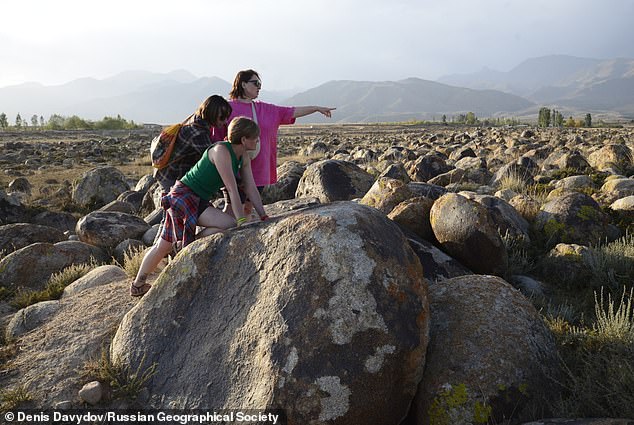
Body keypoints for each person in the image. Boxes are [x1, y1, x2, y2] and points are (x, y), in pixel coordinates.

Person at [130, 116, 268, 297]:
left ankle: (186, 244)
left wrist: (263, 215)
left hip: (199, 199)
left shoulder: (243, 157)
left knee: (223, 225)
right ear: (243, 139)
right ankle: (138, 284)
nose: (258, 140)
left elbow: (250, 187)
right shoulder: (221, 151)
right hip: (184, 195)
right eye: (255, 137)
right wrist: (242, 220)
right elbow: (233, 190)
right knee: (163, 245)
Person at [212, 70, 335, 212]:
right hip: (234, 168)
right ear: (243, 84)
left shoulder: (266, 109)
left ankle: (242, 232)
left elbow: (291, 111)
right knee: (232, 210)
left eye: (260, 84)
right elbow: (216, 139)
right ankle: (223, 232)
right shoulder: (226, 108)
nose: (259, 87)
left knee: (248, 208)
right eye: (256, 83)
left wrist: (316, 108)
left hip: (259, 168)